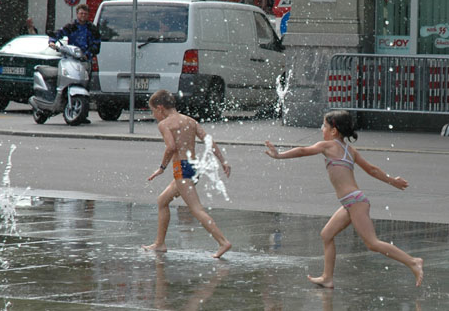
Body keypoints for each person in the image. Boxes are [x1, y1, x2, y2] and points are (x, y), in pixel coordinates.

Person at [264, 110, 423, 288]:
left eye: (324, 125)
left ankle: (413, 261)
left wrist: (279, 155)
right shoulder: (350, 150)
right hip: (351, 202)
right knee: (326, 235)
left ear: (334, 131)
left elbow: (303, 150)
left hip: (354, 201)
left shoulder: (327, 146)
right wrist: (392, 181)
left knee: (372, 243)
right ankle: (327, 277)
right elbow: (372, 169)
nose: (321, 128)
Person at [143, 89, 232, 258]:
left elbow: (171, 147)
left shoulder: (165, 124)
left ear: (160, 107)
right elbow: (208, 140)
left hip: (182, 169)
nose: (154, 114)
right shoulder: (190, 121)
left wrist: (161, 168)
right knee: (162, 201)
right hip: (193, 167)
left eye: (153, 110)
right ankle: (159, 243)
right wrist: (223, 161)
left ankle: (223, 242)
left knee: (196, 209)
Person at [49, 4, 101, 124]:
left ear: (88, 15)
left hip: (85, 61)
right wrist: (52, 42)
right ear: (77, 14)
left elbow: (97, 44)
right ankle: (61, 100)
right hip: (71, 59)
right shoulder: (71, 27)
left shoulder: (92, 29)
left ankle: (83, 114)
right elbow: (58, 33)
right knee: (65, 78)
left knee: (85, 86)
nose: (83, 16)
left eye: (85, 14)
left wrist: (88, 53)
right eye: (81, 13)